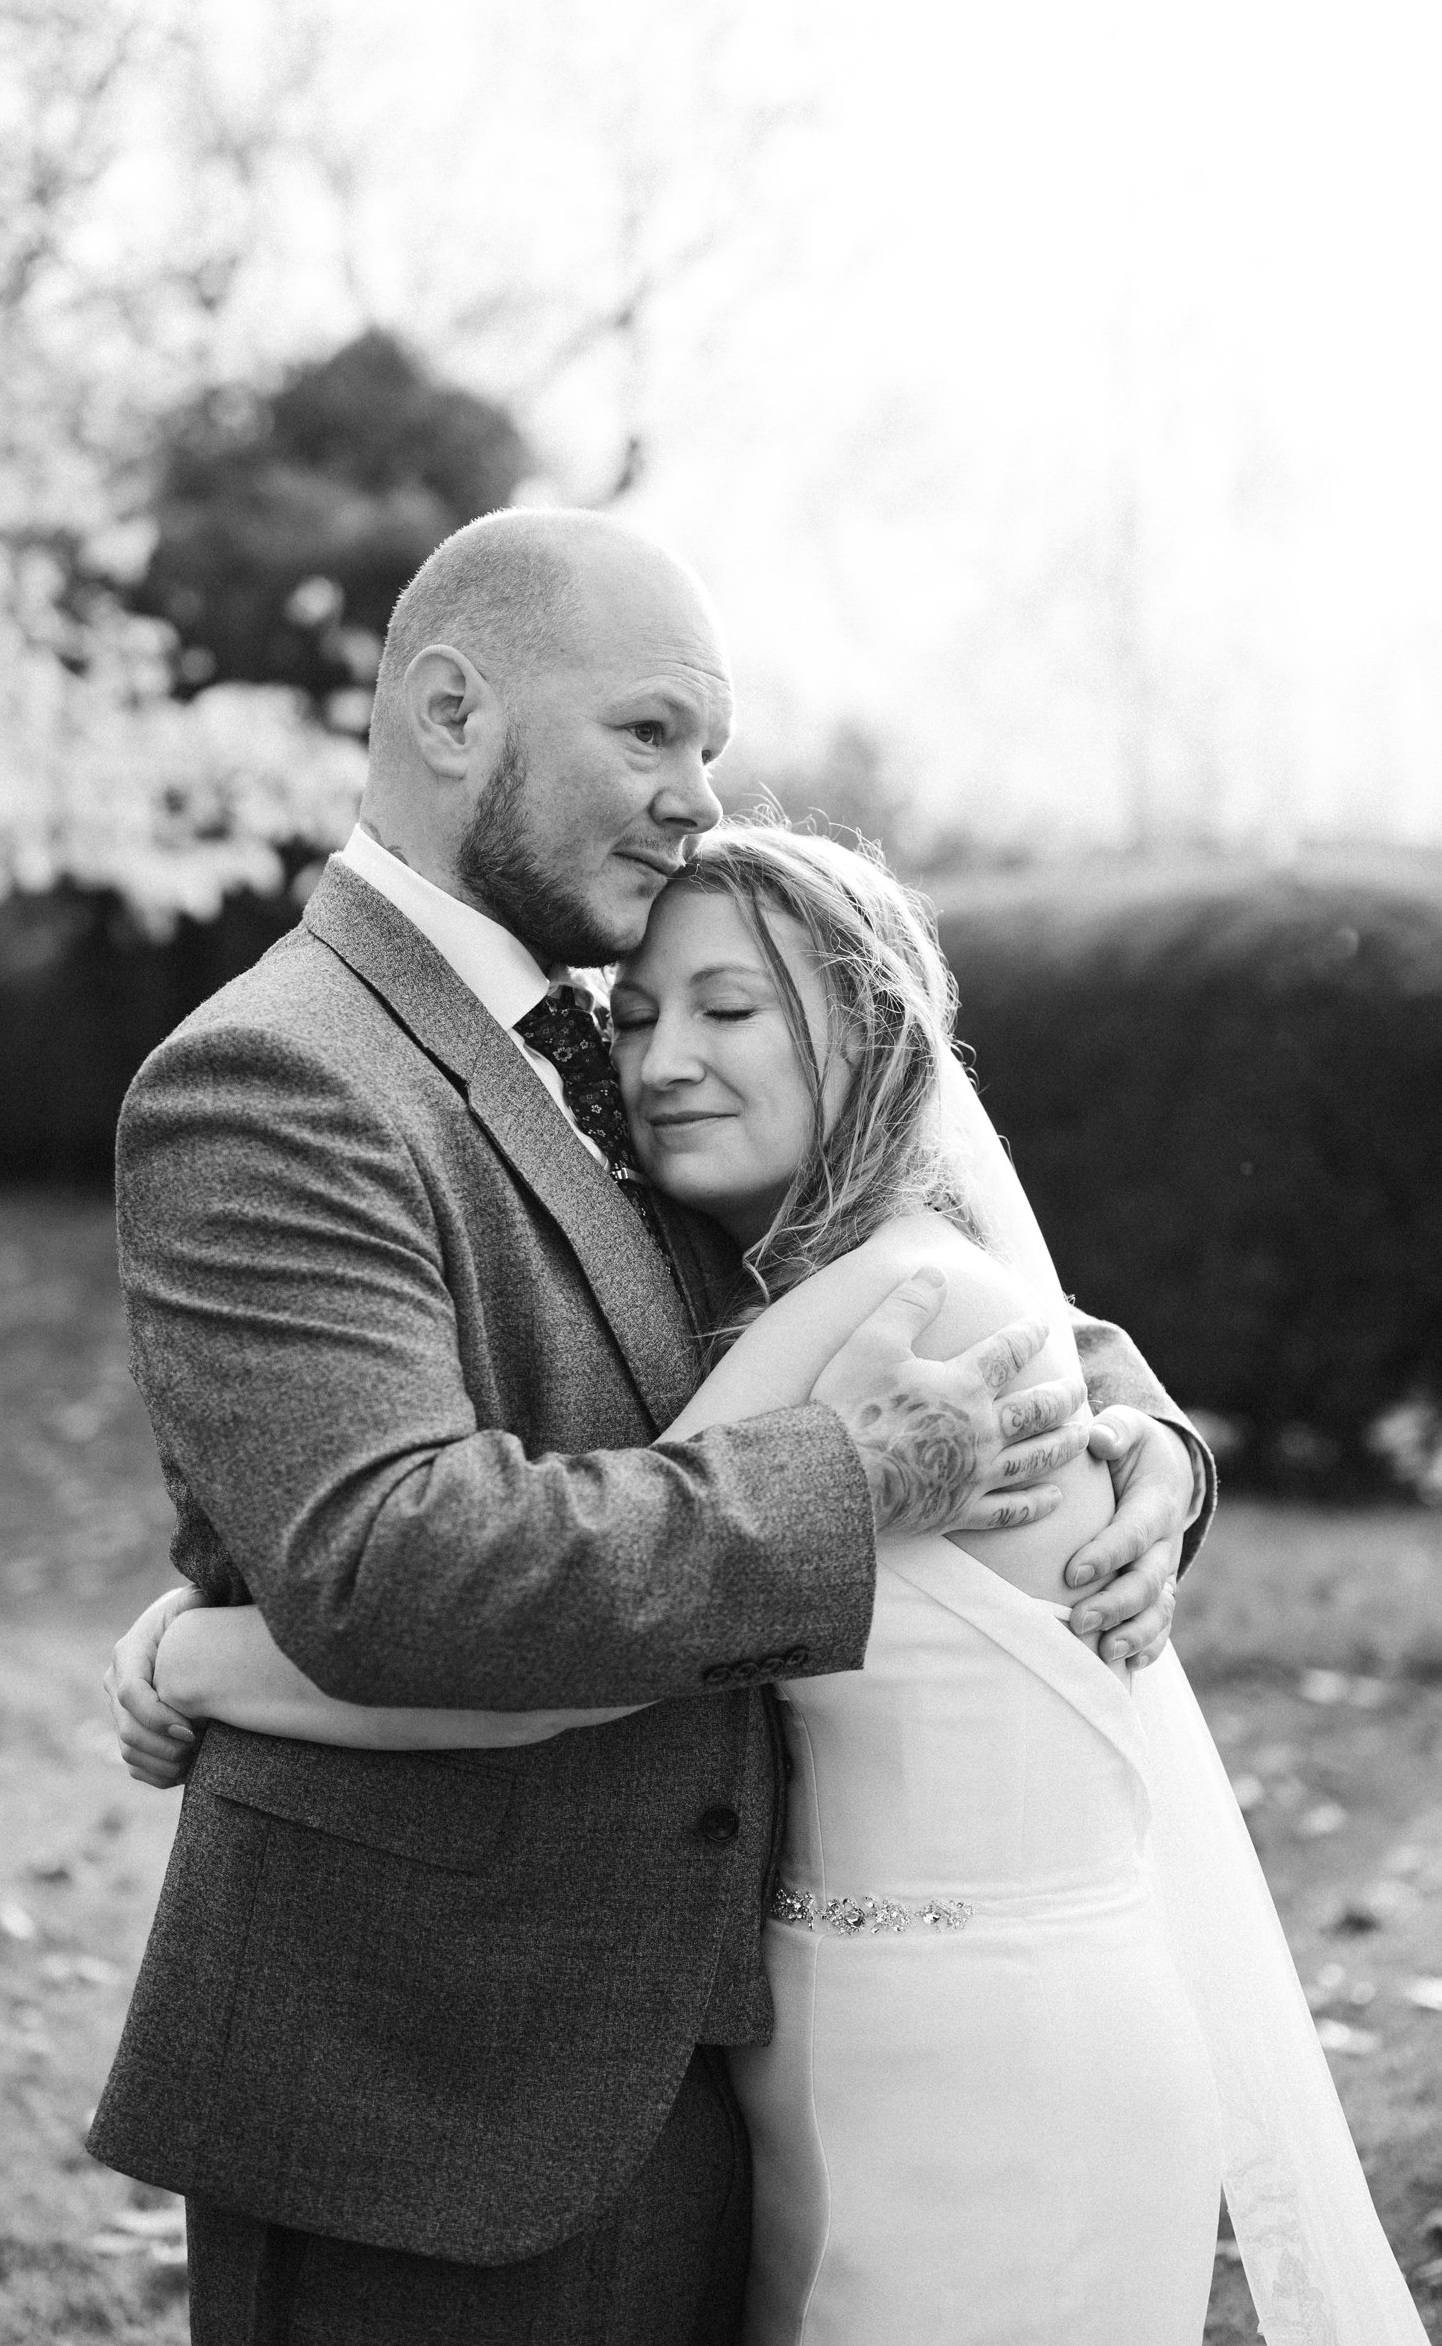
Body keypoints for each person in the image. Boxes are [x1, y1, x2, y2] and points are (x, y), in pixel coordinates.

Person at [91, 507, 1208, 2346]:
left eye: (710, 743)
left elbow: (867, 1264)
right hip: (427, 2091)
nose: (699, 792)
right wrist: (866, 1476)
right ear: (454, 712)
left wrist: (1136, 1430)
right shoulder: (277, 1073)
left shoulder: (612, 1035)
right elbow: (397, 1563)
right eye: (649, 732)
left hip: (720, 2045)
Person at [115, 821, 1428, 2346]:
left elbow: (568, 1648)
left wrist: (184, 1658)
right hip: (844, 2050)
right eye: (642, 1014)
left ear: (869, 1039)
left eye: (731, 1009)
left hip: (985, 2073)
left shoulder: (901, 1300)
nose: (665, 1056)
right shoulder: (796, 1280)